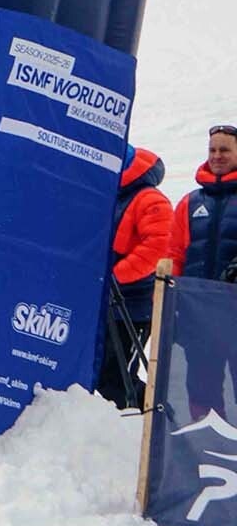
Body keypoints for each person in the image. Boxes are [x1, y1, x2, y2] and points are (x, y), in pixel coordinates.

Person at [170, 124, 237, 419]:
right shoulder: (189, 202)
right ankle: (207, 451)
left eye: (225, 150)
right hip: (199, 316)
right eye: (212, 150)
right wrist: (170, 302)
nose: (217, 156)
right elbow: (173, 256)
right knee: (201, 388)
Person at [98, 146, 170, 409]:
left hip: (134, 305)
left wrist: (116, 276)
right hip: (106, 300)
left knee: (116, 378)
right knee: (102, 374)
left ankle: (155, 414)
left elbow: (158, 248)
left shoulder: (150, 200)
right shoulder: (110, 197)